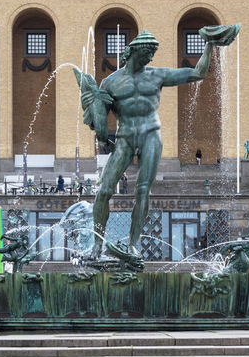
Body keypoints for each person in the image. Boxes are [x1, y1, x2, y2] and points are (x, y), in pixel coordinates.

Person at [75, 27, 236, 259]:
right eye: (148, 52)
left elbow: (198, 73)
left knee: (142, 190)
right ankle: (97, 246)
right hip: (125, 136)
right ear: (133, 51)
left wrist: (210, 45)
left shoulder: (157, 75)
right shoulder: (110, 82)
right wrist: (93, 111)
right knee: (104, 192)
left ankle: (132, 244)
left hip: (151, 134)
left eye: (153, 54)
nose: (151, 58)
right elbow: (99, 122)